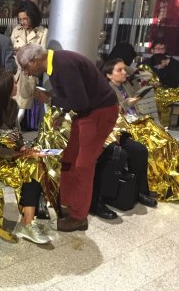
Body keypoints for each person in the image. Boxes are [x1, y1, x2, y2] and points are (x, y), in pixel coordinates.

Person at [16, 43, 119, 232]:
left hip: (99, 113)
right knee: (69, 160)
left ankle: (79, 217)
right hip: (87, 113)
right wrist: (61, 114)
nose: (26, 73)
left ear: (35, 60)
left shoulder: (64, 65)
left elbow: (80, 102)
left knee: (83, 166)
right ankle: (68, 204)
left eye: (25, 67)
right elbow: (75, 97)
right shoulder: (55, 64)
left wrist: (50, 100)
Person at [0, 69, 52, 244]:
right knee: (19, 173)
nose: (16, 85)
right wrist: (17, 154)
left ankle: (27, 223)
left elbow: (16, 134)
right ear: (3, 89)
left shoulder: (12, 106)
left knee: (34, 163)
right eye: (13, 83)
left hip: (9, 153)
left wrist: (23, 147)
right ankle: (29, 222)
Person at [101, 58, 179, 201]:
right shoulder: (107, 90)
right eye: (120, 70)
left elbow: (147, 76)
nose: (124, 72)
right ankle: (147, 189)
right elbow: (112, 112)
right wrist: (128, 103)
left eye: (125, 69)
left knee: (170, 142)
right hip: (125, 128)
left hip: (140, 122)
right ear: (108, 75)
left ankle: (167, 183)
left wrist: (128, 68)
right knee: (154, 146)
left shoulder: (126, 85)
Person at [11, 0, 48, 125]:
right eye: (20, 19)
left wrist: (24, 51)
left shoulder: (43, 32)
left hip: (29, 75)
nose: (23, 22)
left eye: (25, 19)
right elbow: (10, 49)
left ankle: (14, 136)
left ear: (32, 16)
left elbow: (42, 55)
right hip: (14, 75)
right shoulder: (16, 30)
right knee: (11, 109)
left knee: (20, 111)